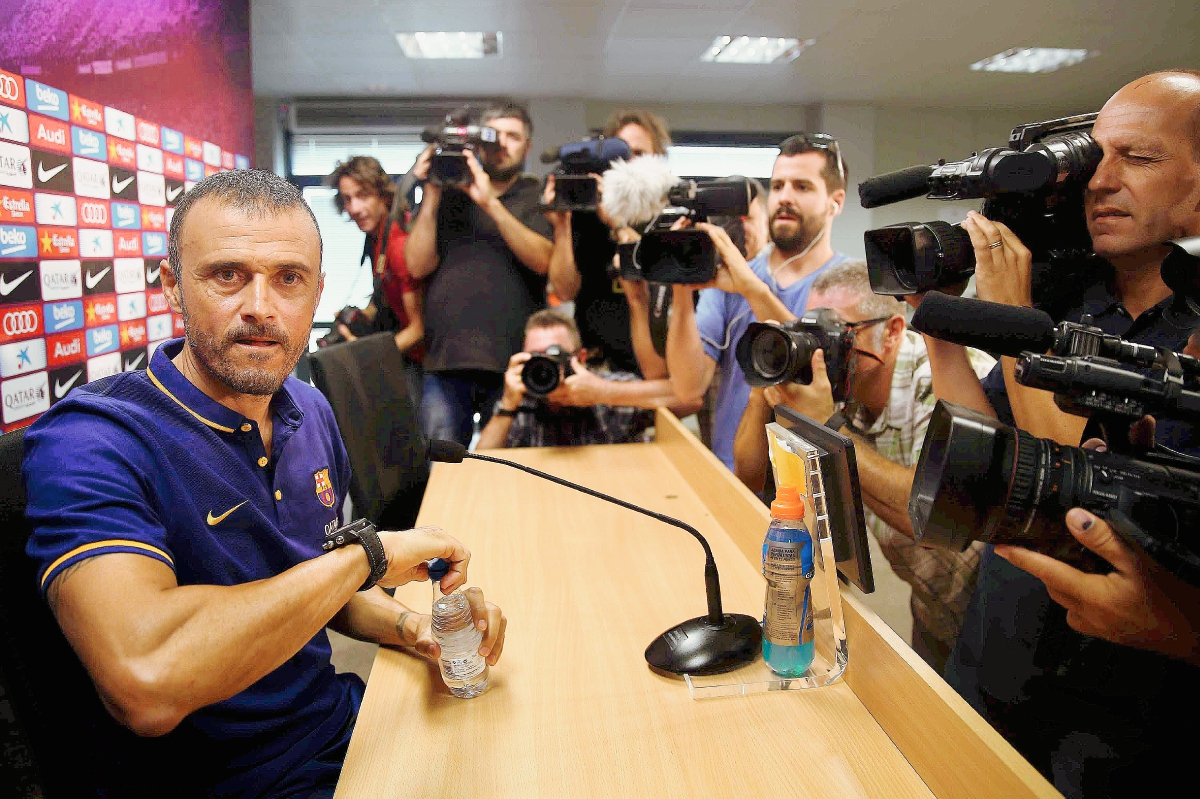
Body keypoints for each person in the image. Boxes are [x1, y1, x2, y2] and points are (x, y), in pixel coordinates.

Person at [22, 170, 507, 798]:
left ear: (317, 293)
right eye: (227, 275)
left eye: (289, 279)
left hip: (339, 731)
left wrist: (413, 629)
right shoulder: (92, 441)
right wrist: (373, 555)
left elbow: (311, 583)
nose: (260, 307)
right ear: (172, 286)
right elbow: (147, 678)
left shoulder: (308, 408)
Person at [925, 71, 1200, 797]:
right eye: (1092, 159)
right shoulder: (1072, 303)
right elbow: (981, 443)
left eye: (1137, 158)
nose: (1100, 182)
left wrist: (1013, 327)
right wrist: (941, 324)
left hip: (1122, 714)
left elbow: (1095, 494)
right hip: (995, 654)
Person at [731, 261, 995, 672]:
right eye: (811, 333)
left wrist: (829, 429)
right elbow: (749, 478)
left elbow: (935, 512)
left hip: (992, 610)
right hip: (931, 603)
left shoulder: (948, 376)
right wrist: (761, 390)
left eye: (838, 335)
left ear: (891, 332)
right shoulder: (830, 386)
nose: (822, 351)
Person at [666, 133, 854, 469]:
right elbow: (687, 386)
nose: (785, 197)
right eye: (778, 185)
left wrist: (753, 290)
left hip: (814, 481)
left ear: (835, 202)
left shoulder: (850, 283)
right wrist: (682, 282)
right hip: (734, 472)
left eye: (802, 187)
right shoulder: (733, 276)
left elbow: (822, 375)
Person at [405, 103, 554, 445]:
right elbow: (416, 265)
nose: (502, 144)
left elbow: (544, 261)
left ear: (527, 146)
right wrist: (430, 195)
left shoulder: (536, 194)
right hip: (446, 360)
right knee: (440, 475)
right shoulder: (447, 190)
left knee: (510, 471)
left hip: (514, 365)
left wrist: (490, 203)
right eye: (494, 135)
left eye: (513, 136)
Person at [546, 109, 673, 374]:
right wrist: (562, 225)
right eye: (621, 154)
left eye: (638, 153)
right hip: (594, 362)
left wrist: (617, 222)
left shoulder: (671, 218)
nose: (629, 162)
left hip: (651, 364)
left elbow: (655, 279)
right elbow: (565, 290)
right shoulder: (587, 213)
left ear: (658, 158)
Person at [476, 309, 690, 449]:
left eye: (554, 355)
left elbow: (688, 399)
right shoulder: (521, 400)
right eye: (535, 358)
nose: (544, 367)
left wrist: (604, 392)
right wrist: (506, 406)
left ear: (581, 358)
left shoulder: (609, 385)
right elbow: (480, 466)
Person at [327, 155, 424, 405]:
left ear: (383, 194)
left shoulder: (398, 241)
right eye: (348, 199)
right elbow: (384, 295)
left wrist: (364, 354)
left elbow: (418, 329)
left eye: (363, 195)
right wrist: (361, 317)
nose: (354, 208)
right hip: (407, 356)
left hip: (424, 362)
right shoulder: (377, 235)